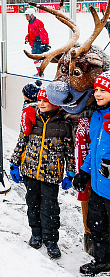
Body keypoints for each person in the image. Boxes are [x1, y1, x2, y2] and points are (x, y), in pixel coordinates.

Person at [10, 88, 74, 259]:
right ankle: (36, 233)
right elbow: (21, 142)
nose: (41, 104)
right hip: (30, 172)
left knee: (50, 209)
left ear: (55, 103)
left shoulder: (64, 125)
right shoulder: (31, 119)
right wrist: (14, 163)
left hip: (51, 175)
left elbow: (69, 151)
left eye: (45, 101)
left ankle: (51, 240)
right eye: (39, 100)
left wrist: (70, 172)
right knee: (33, 204)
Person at [73, 72, 110, 275]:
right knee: (96, 225)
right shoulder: (97, 115)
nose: (97, 94)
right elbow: (94, 150)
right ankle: (103, 261)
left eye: (103, 90)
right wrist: (84, 172)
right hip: (97, 185)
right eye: (96, 89)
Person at [24, 9, 50, 76]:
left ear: (31, 15)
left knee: (36, 57)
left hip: (38, 42)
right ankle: (40, 72)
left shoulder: (38, 22)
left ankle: (40, 73)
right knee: (35, 58)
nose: (26, 18)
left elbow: (43, 33)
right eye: (26, 16)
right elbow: (29, 33)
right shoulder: (30, 23)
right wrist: (27, 38)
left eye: (27, 16)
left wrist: (45, 43)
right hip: (33, 43)